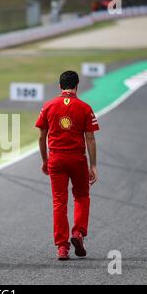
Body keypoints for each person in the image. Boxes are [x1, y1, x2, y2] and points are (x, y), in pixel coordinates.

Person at [35, 70, 99, 260]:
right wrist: (93, 165)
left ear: (59, 86)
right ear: (77, 86)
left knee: (59, 202)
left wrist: (45, 160)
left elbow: (41, 137)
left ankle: (62, 247)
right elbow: (90, 138)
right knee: (81, 196)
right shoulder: (85, 107)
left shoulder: (48, 106)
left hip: (56, 159)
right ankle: (78, 233)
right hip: (77, 158)